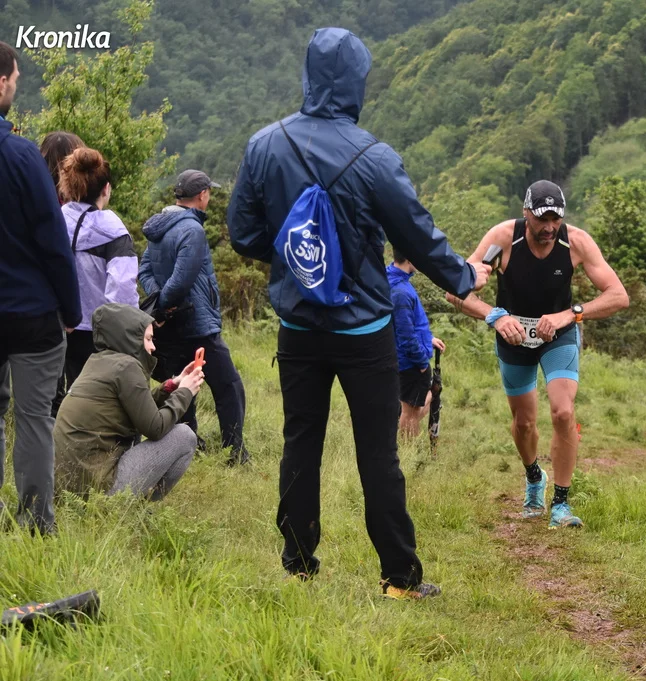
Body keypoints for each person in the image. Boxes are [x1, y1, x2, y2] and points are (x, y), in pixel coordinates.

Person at [228, 27, 489, 598]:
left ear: (307, 75)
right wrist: (465, 278)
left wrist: (302, 261)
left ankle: (298, 566)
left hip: (298, 326)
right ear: (356, 84)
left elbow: (243, 233)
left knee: (301, 442)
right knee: (378, 452)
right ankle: (399, 578)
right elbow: (417, 237)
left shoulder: (264, 145)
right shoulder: (375, 157)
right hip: (365, 330)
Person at [448, 180, 628, 528]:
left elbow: (618, 295)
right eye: (542, 219)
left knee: (563, 412)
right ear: (526, 212)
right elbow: (455, 291)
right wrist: (495, 316)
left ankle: (561, 504)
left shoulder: (576, 242)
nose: (549, 227)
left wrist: (571, 314)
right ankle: (534, 476)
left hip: (558, 335)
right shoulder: (502, 238)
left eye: (555, 219)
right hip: (512, 336)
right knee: (524, 422)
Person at [0, 42, 81, 533]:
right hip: (30, 312)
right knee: (33, 418)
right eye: (15, 79)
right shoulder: (21, 155)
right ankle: (35, 524)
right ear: (1, 83)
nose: (15, 86)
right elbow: (53, 242)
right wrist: (71, 310)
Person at [140, 169, 248, 465]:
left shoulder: (160, 225)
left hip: (171, 326)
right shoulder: (192, 229)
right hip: (197, 323)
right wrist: (164, 304)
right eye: (208, 193)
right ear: (202, 195)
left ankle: (188, 448)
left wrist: (159, 305)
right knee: (229, 386)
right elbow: (181, 281)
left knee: (184, 384)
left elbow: (145, 269)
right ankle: (234, 452)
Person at [54, 304, 203, 500]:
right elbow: (155, 427)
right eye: (148, 339)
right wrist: (185, 392)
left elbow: (137, 406)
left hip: (67, 488)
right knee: (184, 436)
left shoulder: (98, 362)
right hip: (98, 486)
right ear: (131, 339)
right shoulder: (127, 366)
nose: (153, 346)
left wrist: (171, 386)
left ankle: (121, 507)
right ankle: (137, 509)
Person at [59, 147, 139, 389]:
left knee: (66, 394)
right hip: (99, 332)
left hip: (60, 326)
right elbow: (123, 288)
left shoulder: (56, 220)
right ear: (106, 188)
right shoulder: (113, 229)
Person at [39, 130, 86, 416]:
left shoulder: (34, 195)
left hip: (38, 298)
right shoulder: (76, 206)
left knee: (48, 380)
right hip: (71, 300)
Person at [388, 246, 446, 438]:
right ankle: (406, 452)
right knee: (411, 412)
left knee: (410, 407)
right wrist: (421, 362)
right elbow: (405, 335)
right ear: (409, 259)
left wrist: (428, 339)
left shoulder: (393, 279)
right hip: (410, 362)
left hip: (404, 357)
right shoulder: (401, 292)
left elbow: (405, 323)